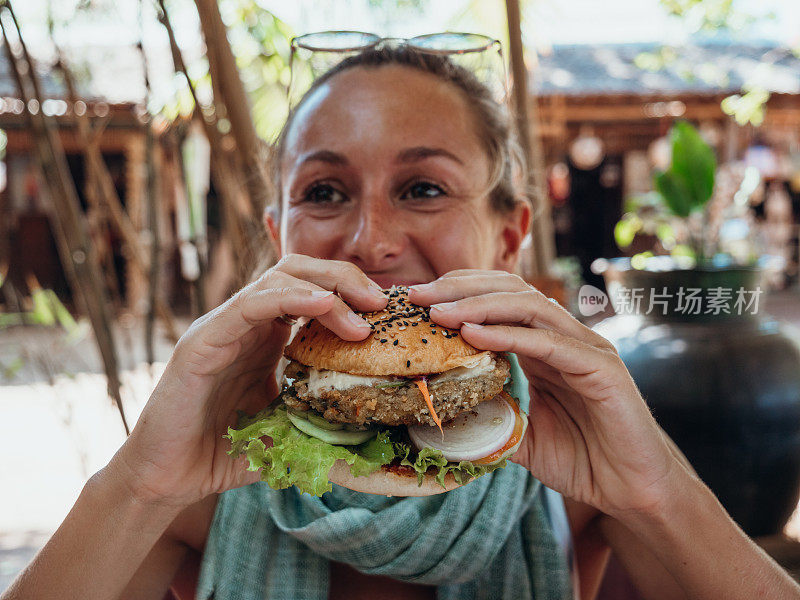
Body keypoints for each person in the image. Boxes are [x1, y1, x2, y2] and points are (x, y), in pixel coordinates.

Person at [4, 43, 800, 600]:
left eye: (423, 188)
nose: (371, 242)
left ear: (510, 238)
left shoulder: (578, 479)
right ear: (281, 242)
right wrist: (139, 482)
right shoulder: (196, 483)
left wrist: (657, 489)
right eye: (324, 192)